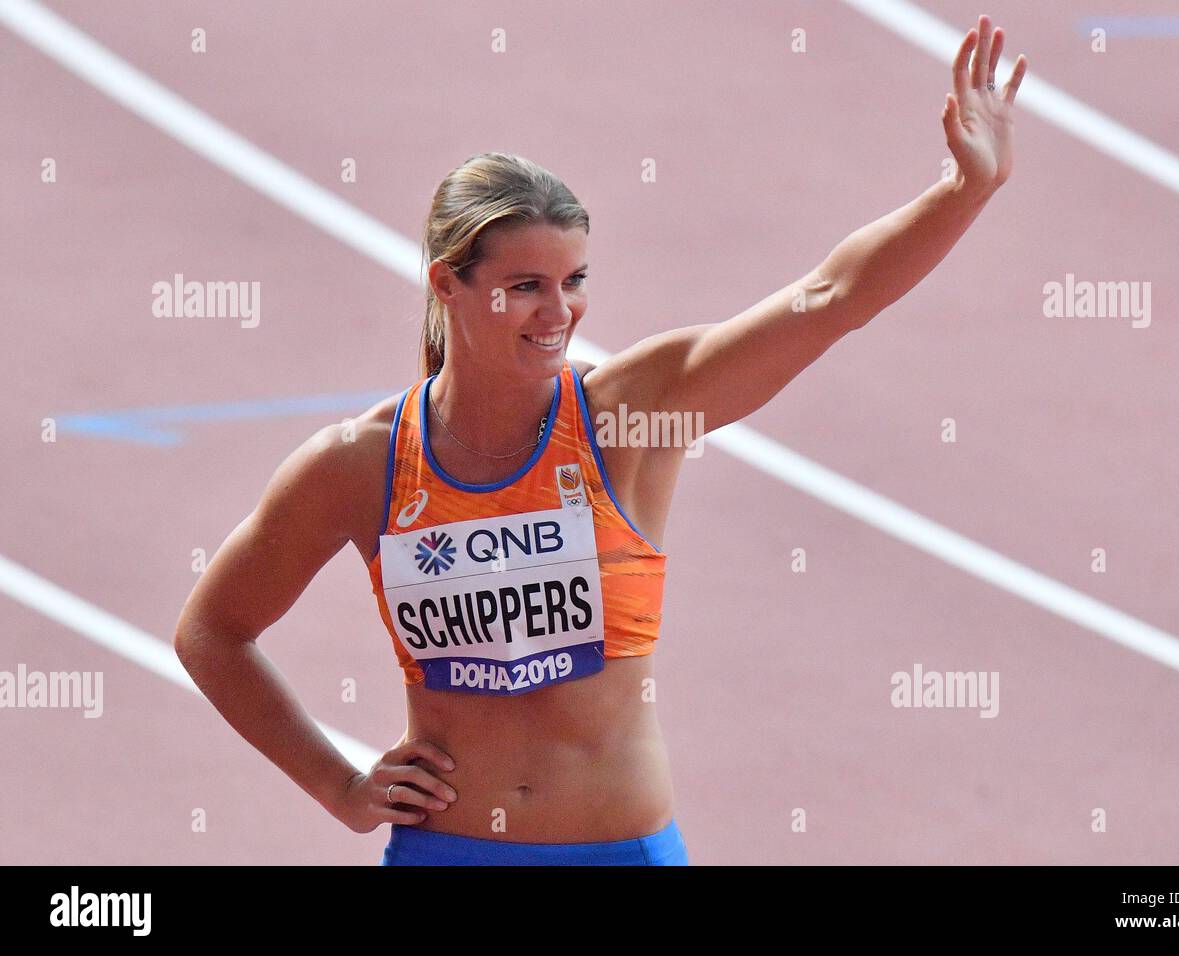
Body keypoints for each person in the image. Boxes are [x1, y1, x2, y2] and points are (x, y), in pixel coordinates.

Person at [173, 15, 1026, 865]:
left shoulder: (632, 417)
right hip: (452, 855)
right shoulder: (361, 465)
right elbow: (213, 631)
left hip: (623, 852)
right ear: (449, 284)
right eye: (527, 286)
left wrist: (962, 192)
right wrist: (339, 785)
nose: (561, 313)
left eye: (574, 280)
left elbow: (831, 296)